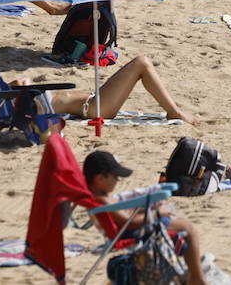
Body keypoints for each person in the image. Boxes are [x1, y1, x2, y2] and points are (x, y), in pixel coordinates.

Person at [83, 151, 210, 285]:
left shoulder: (100, 197)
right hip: (132, 234)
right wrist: (158, 213)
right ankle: (197, 278)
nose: (117, 180)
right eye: (115, 177)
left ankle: (192, 275)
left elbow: (124, 217)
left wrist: (148, 209)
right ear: (100, 178)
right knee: (188, 229)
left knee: (184, 227)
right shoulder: (103, 200)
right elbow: (130, 222)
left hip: (129, 230)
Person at [14, 55, 195, 122]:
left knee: (141, 64)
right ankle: (175, 112)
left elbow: (20, 86)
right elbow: (18, 97)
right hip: (94, 108)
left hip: (94, 100)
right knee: (142, 63)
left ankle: (174, 111)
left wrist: (22, 84)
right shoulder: (11, 102)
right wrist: (19, 87)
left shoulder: (10, 97)